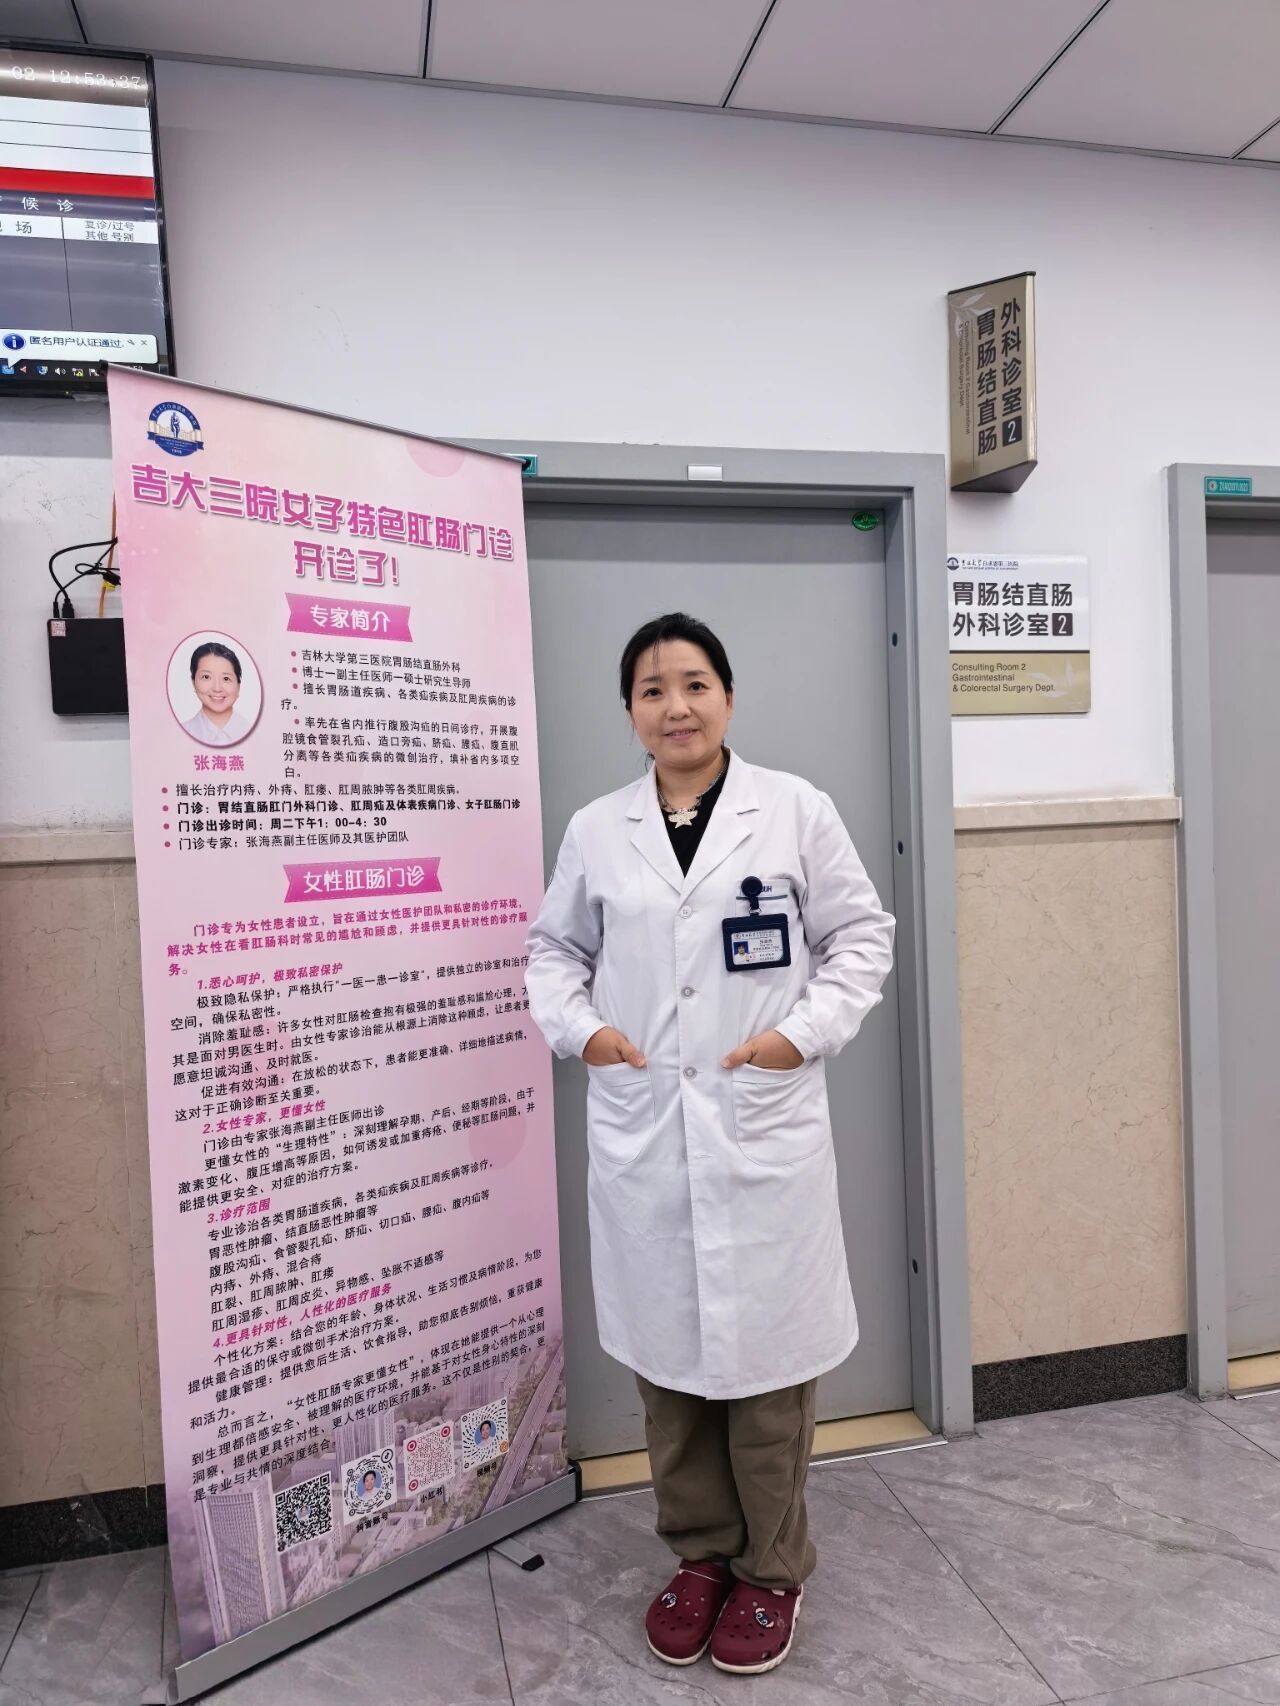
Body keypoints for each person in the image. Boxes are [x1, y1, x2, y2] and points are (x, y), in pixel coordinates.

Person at [525, 613, 894, 1676]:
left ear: (728, 697)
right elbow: (552, 952)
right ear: (629, 712)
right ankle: (698, 1555)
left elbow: (860, 936)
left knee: (767, 1374)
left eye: (694, 683)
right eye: (651, 689)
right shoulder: (599, 829)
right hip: (646, 1130)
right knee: (671, 1371)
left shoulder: (794, 810)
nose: (675, 706)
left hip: (757, 1124)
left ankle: (771, 1569)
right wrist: (586, 1033)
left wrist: (799, 1035)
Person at [181, 641, 253, 745]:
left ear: (238, 687)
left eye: (226, 678)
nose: (217, 688)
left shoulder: (256, 735)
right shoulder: (178, 734)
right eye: (206, 677)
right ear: (193, 683)